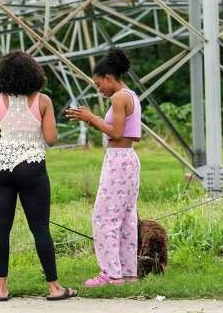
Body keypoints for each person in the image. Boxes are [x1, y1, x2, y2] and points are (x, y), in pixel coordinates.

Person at [0, 50, 77, 302]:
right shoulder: (43, 101)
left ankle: (2, 289)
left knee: (1, 229)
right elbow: (50, 139)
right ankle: (54, 288)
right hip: (31, 166)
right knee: (40, 229)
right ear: (33, 74)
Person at [63, 48, 141, 287]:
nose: (99, 89)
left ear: (109, 77)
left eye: (99, 84)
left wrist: (90, 118)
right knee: (126, 217)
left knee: (104, 218)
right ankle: (128, 273)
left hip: (118, 159)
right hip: (129, 158)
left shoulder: (118, 98)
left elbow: (116, 132)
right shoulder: (131, 95)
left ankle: (110, 274)